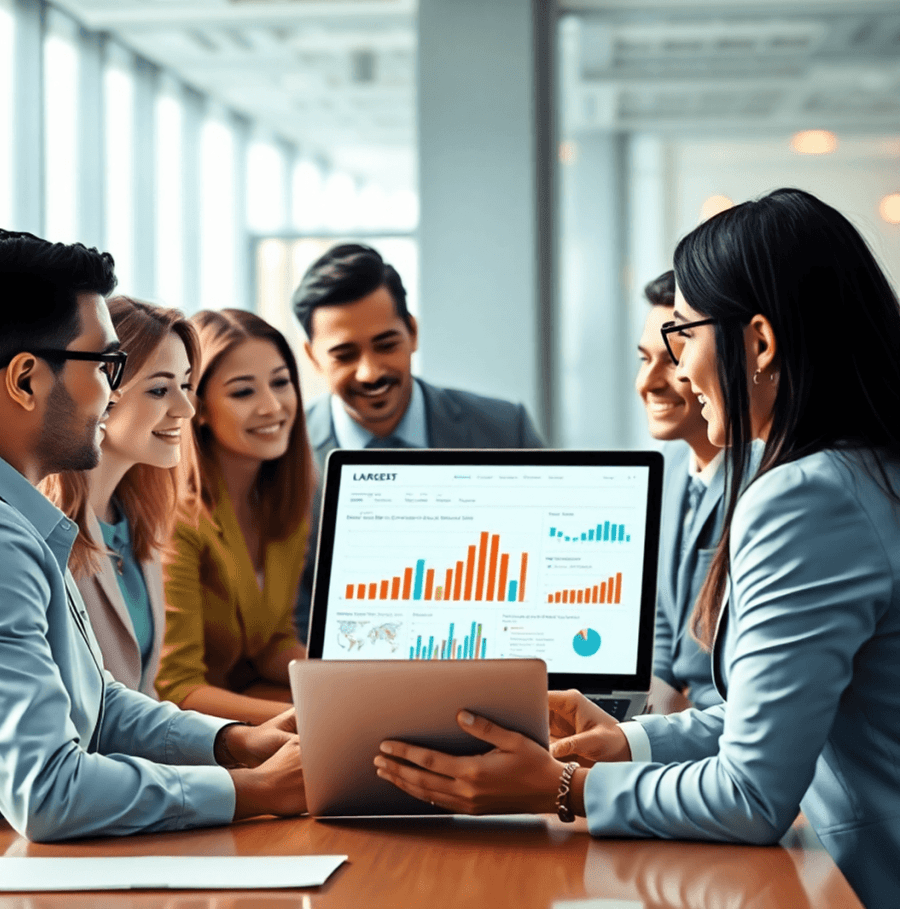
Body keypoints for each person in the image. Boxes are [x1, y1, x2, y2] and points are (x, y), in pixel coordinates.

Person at [372, 189, 900, 909]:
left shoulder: (806, 497)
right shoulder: (867, 469)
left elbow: (750, 794)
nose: (679, 372)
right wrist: (629, 745)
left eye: (684, 335)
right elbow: (769, 711)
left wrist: (562, 788)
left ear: (761, 343)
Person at [0, 230, 303, 889]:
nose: (114, 389)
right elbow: (47, 791)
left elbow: (94, 702)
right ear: (24, 379)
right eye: (107, 365)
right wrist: (253, 792)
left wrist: (231, 743)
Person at [291, 242, 545, 640]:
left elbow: (544, 565)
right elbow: (287, 611)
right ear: (312, 357)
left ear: (412, 332)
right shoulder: (284, 453)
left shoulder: (504, 429)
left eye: (386, 344)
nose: (370, 372)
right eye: (344, 355)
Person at [154, 310, 313, 725]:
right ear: (198, 409)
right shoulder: (179, 520)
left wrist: (348, 681)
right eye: (243, 392)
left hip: (248, 703)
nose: (273, 406)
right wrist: (310, 717)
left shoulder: (284, 499)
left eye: (281, 383)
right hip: (192, 734)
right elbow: (176, 689)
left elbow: (271, 643)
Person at [40, 297, 198, 696]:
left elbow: (144, 695)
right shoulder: (46, 534)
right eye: (160, 389)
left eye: (186, 385)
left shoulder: (138, 521)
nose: (186, 408)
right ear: (100, 393)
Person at [636, 270, 723, 713]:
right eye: (642, 359)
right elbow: (662, 627)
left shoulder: (774, 486)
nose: (646, 383)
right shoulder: (668, 470)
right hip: (674, 719)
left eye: (672, 359)